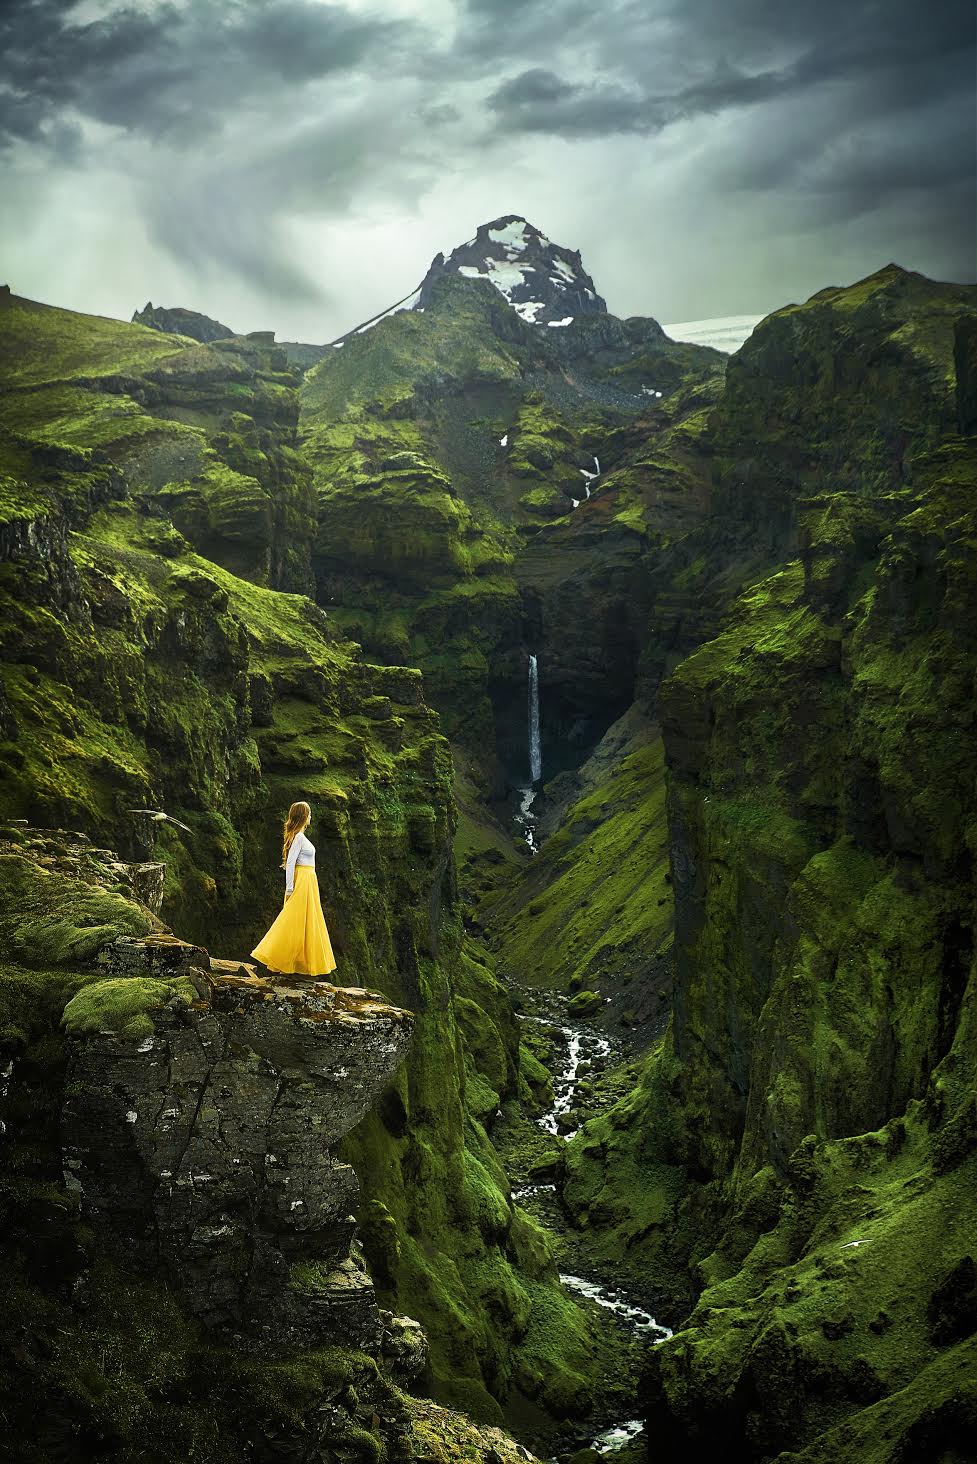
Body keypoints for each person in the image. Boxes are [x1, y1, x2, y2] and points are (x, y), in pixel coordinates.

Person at [250, 800, 337, 977]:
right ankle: (281, 957)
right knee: (294, 921)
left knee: (306, 922)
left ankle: (298, 963)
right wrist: (290, 889)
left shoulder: (300, 837)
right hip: (302, 881)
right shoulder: (298, 837)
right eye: (309, 813)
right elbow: (290, 864)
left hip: (309, 881)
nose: (311, 816)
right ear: (304, 816)